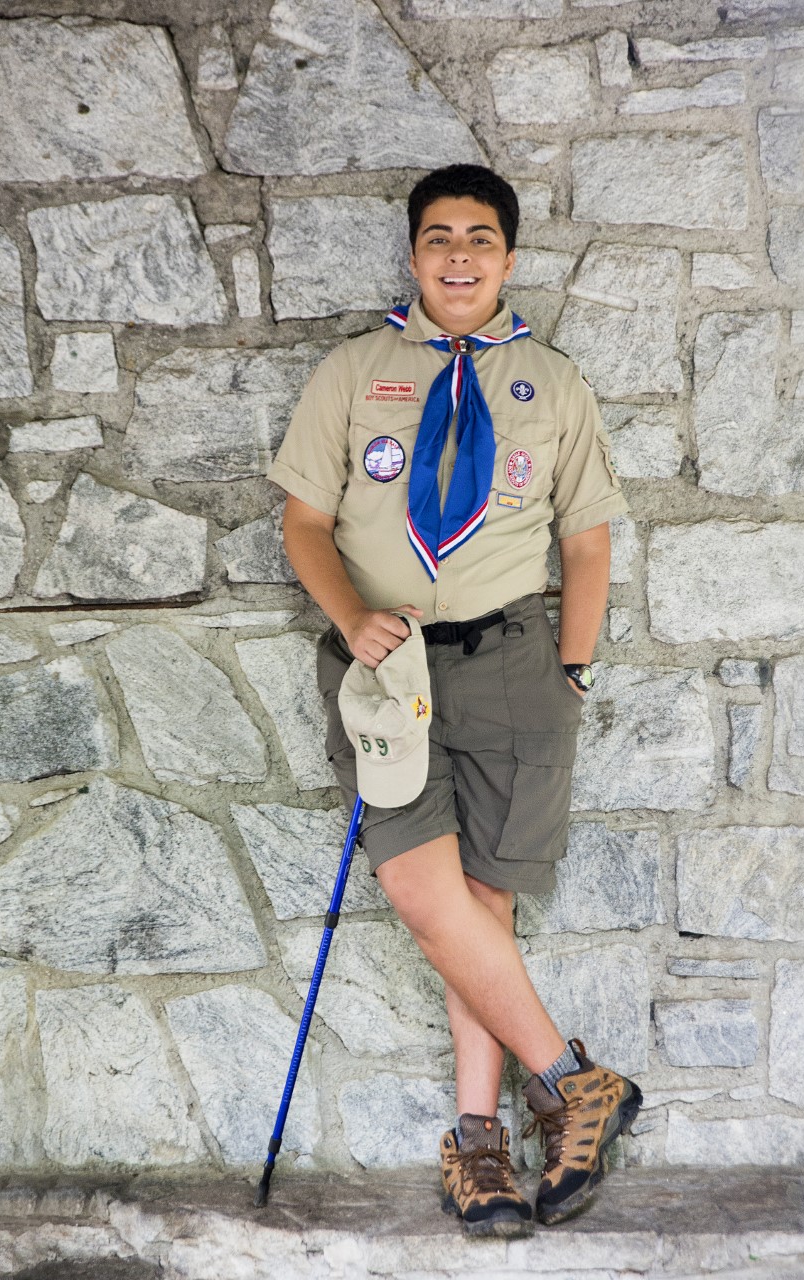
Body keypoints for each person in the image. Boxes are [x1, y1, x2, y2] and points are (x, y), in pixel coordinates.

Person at [266, 164, 642, 1237]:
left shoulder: (550, 380)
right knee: (430, 898)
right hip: (386, 670)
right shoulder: (353, 370)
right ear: (415, 254)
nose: (461, 255)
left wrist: (571, 669)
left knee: (483, 904)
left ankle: (480, 1149)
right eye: (440, 237)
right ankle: (574, 1078)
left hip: (515, 660)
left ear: (508, 259)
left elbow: (586, 537)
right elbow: (301, 523)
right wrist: (348, 621)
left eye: (481, 237)